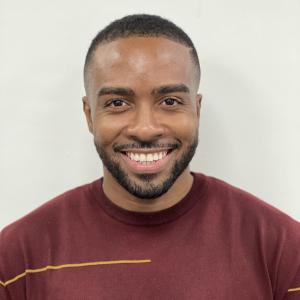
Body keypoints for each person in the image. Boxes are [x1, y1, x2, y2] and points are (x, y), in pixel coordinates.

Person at [0, 14, 299, 300]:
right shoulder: (17, 257)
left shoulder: (282, 248)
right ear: (89, 115)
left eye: (170, 101)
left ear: (197, 110)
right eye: (117, 103)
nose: (145, 129)